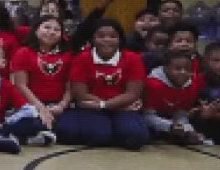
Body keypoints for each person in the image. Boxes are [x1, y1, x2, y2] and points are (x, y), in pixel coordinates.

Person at [55, 19, 149, 150]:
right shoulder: (82, 58)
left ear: (120, 39)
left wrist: (105, 105)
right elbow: (81, 95)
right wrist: (109, 106)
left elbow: (132, 94)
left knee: (135, 136)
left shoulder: (133, 59)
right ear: (93, 39)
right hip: (91, 107)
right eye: (101, 36)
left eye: (112, 36)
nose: (107, 40)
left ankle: (116, 128)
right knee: (98, 135)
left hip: (121, 107)